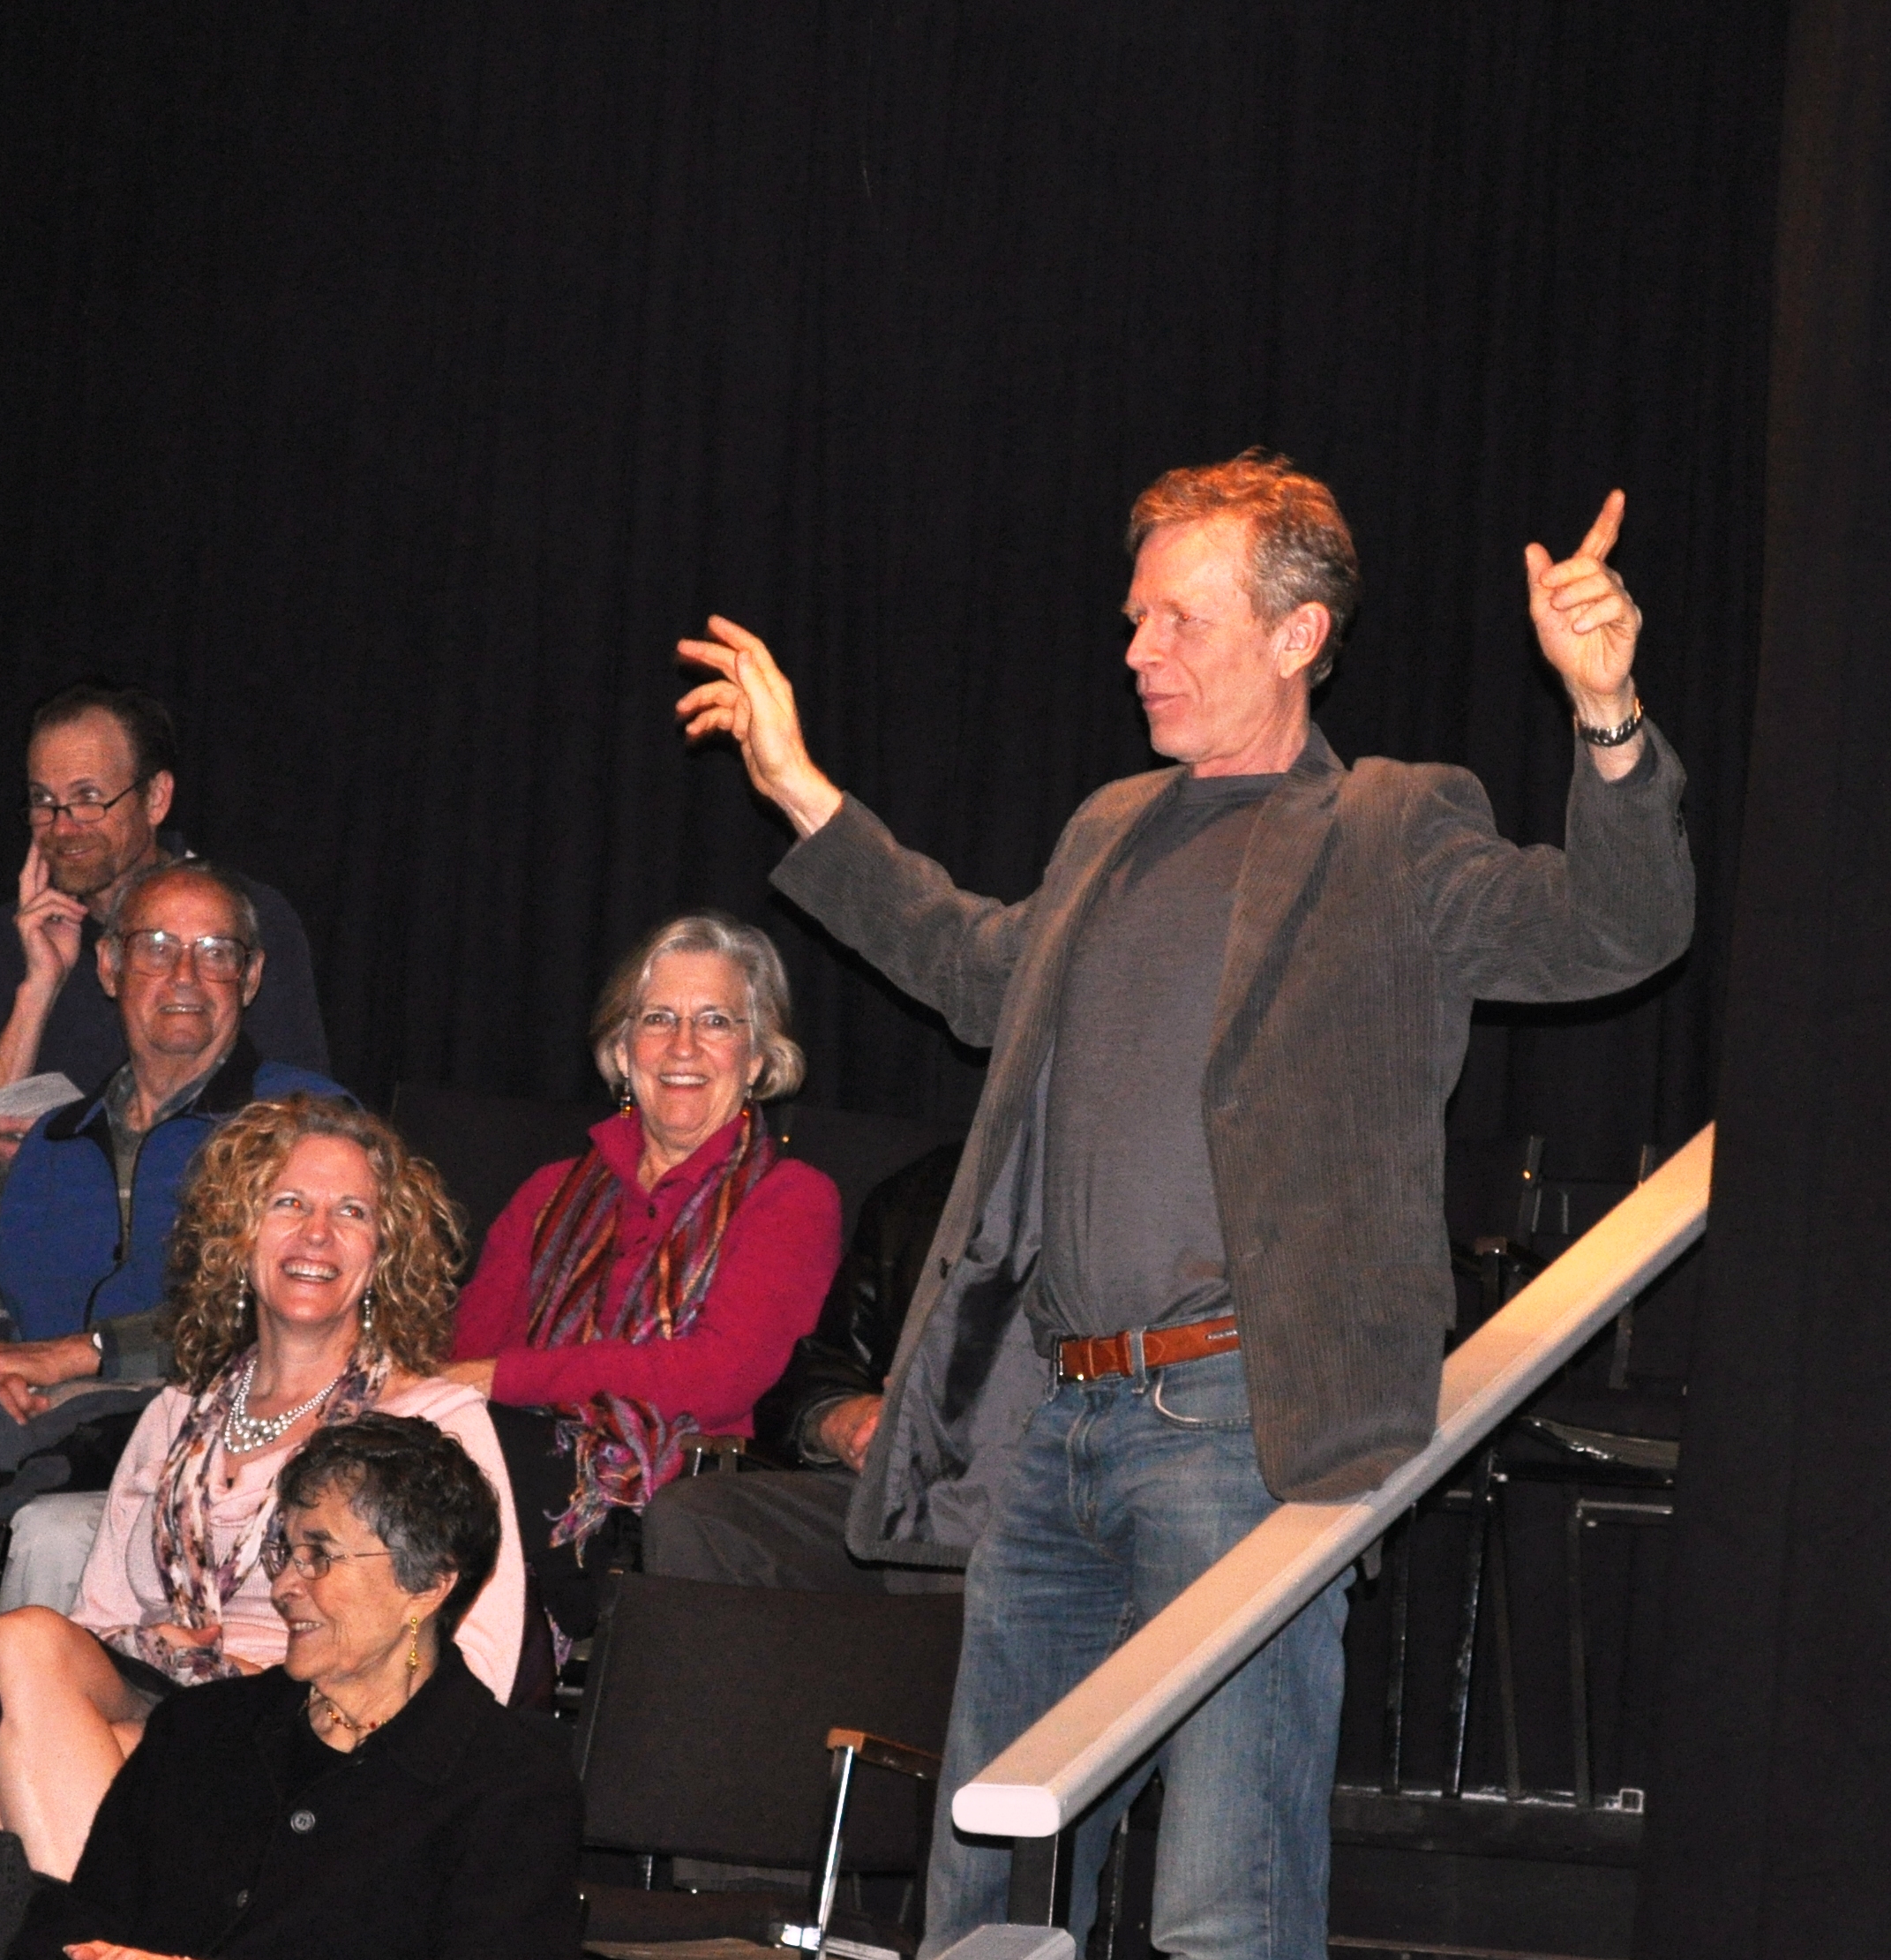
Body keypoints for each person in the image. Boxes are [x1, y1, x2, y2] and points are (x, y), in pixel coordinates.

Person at [672, 454, 1695, 1956]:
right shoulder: (1109, 827)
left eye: (1177, 620)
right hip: (1052, 1426)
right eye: (1134, 619)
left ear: (1295, 633)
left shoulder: (1388, 827)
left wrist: (1604, 713)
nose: (1138, 650)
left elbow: (1613, 929)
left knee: (1225, 1900)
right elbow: (970, 969)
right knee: (987, 1886)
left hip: (1237, 1429)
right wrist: (796, 786)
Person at [0, 1096, 527, 1882]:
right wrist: (166, 1654)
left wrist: (251, 1679)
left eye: (351, 1211)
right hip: (162, 1696)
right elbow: (98, 1621)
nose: (316, 1233)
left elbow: (480, 1660)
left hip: (310, 1725)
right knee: (19, 1641)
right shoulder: (177, 1413)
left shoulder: (432, 1421)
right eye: (288, 1202)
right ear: (239, 1235)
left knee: (2, 1787)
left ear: (384, 1252)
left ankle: (110, 1917)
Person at [16, 1415, 581, 1960]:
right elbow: (76, 1925)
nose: (283, 1586)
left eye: (320, 1557)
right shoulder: (198, 1730)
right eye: (285, 1553)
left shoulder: (510, 1787)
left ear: (427, 1584)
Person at [443, 912, 840, 1633]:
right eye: (657, 1018)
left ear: (756, 1059)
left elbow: (715, 1376)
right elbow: (463, 1360)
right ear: (622, 1050)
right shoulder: (547, 1191)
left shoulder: (792, 1198)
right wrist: (482, 1385)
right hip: (508, 1469)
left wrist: (509, 1378)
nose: (683, 1045)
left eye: (715, 1020)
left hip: (665, 1504)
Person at [0, 860, 345, 1414]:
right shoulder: (52, 1143)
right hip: (21, 1441)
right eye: (156, 948)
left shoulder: (307, 1129)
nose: (185, 975)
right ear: (109, 967)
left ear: (250, 978)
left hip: (212, 1441)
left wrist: (82, 1354)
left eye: (215, 952)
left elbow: (292, 1306)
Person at [0, 682, 327, 1189]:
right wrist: (38, 990)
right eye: (43, 801)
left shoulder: (242, 921)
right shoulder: (1, 940)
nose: (62, 827)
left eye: (88, 799)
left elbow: (307, 1133)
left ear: (156, 799)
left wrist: (83, 1151)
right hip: (31, 1223)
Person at [642, 1141, 965, 1594]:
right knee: (695, 1516)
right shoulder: (917, 1195)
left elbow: (718, 1373)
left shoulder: (1070, 1210)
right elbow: (824, 1366)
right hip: (891, 1489)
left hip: (1013, 1499)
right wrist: (847, 1420)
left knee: (944, 1544)